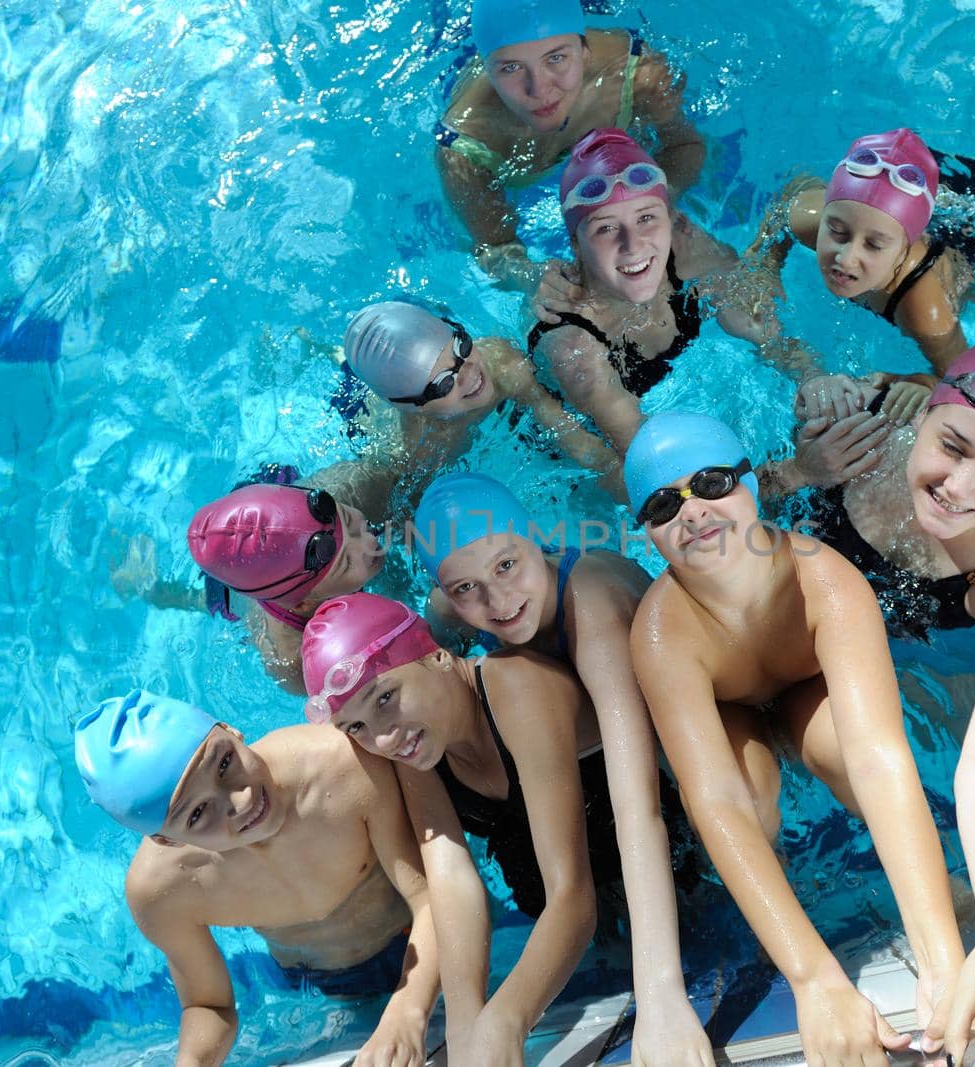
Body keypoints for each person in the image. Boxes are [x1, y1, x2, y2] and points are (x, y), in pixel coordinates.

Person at [623, 412, 967, 1067]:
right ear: (647, 532)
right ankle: (784, 924)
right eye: (665, 503)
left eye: (713, 481)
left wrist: (942, 958)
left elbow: (880, 756)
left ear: (753, 483)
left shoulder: (824, 579)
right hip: (731, 711)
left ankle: (936, 895)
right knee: (746, 799)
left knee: (846, 747)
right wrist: (816, 980)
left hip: (805, 687)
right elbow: (714, 802)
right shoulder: (661, 634)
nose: (693, 511)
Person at [795, 331, 975, 1066]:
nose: (960, 487)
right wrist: (798, 460)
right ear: (924, 415)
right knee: (832, 741)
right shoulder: (866, 414)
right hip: (824, 581)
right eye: (951, 446)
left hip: (936, 619)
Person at [413, 472, 715, 1065]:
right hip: (570, 747)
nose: (497, 603)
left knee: (700, 883)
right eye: (467, 588)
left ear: (539, 541)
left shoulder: (593, 610)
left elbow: (639, 805)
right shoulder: (443, 613)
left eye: (507, 566)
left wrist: (660, 999)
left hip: (678, 724)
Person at [300, 592, 619, 1067]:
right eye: (357, 727)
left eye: (386, 697)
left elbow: (573, 895)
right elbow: (452, 881)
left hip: (656, 860)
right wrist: (467, 1030)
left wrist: (506, 1020)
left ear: (437, 657)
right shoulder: (416, 746)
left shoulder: (518, 688)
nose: (383, 738)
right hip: (544, 889)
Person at [73, 689, 441, 1067]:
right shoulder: (162, 891)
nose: (243, 799)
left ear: (231, 731)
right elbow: (208, 1004)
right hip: (320, 986)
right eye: (198, 813)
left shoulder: (343, 765)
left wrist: (408, 1011)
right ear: (165, 840)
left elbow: (433, 898)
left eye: (224, 763)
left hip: (424, 939)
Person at [527, 127, 821, 454]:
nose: (633, 244)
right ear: (575, 246)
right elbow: (646, 465)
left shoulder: (687, 248)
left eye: (646, 218)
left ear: (672, 220)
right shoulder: (573, 348)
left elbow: (768, 330)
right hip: (577, 459)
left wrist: (813, 377)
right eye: (606, 228)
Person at [435, 0, 705, 291]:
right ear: (486, 70)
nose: (539, 89)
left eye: (556, 58)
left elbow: (685, 146)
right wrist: (535, 278)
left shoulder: (638, 74)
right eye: (510, 68)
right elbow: (493, 248)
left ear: (585, 52)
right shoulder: (464, 147)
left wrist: (663, 205)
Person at [747, 128, 975, 374]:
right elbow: (794, 189)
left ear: (903, 252)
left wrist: (922, 383)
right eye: (837, 232)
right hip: (911, 191)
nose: (846, 258)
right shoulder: (810, 220)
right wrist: (767, 262)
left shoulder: (924, 306)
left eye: (873, 245)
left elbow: (961, 378)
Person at [343, 301, 624, 497]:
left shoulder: (499, 361)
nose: (469, 373)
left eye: (461, 346)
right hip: (357, 410)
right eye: (443, 384)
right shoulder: (424, 448)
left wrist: (619, 475)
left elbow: (571, 435)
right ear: (414, 408)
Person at [187, 472, 391, 695]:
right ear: (304, 604)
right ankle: (154, 588)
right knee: (196, 600)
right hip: (229, 595)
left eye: (352, 524)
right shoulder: (292, 660)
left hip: (271, 510)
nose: (370, 541)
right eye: (347, 562)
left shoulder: (338, 491)